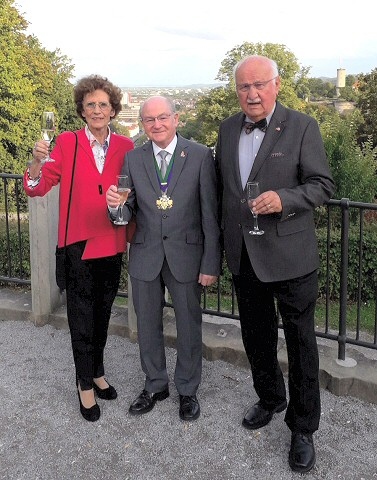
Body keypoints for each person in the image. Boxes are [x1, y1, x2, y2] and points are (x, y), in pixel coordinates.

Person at [215, 55, 335, 473]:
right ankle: (270, 398)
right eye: (244, 87)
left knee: (302, 346)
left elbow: (322, 185)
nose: (251, 93)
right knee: (256, 338)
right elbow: (224, 192)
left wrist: (286, 200)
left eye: (259, 85)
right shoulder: (228, 128)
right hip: (245, 256)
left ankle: (303, 428)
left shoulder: (302, 126)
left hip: (291, 258)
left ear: (277, 85)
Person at [24, 75, 134, 422]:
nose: (98, 110)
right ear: (82, 111)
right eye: (91, 105)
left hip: (112, 242)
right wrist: (35, 162)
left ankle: (97, 371)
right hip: (78, 244)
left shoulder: (126, 147)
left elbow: (134, 189)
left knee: (101, 316)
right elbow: (37, 188)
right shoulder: (68, 143)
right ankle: (84, 383)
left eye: (103, 104)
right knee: (81, 320)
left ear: (113, 110)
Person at [106, 96, 220, 421]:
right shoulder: (133, 158)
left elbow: (210, 214)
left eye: (163, 117)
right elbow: (127, 210)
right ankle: (155, 384)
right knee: (147, 324)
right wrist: (116, 205)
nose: (157, 125)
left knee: (188, 324)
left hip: (186, 254)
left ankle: (187, 389)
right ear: (143, 124)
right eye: (149, 120)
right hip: (146, 253)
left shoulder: (199, 155)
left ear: (176, 118)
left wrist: (211, 263)